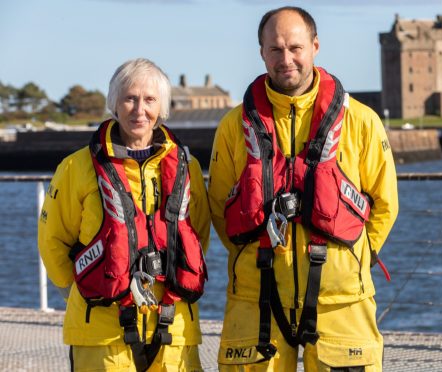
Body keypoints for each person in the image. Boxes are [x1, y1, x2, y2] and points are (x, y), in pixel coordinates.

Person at [208, 6, 398, 371]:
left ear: (314, 46)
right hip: (255, 297)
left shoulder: (362, 120)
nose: (286, 59)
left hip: (341, 301)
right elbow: (218, 206)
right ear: (261, 52)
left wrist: (355, 259)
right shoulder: (234, 126)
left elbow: (385, 203)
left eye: (295, 48)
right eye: (275, 50)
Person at [38, 58, 210, 371]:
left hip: (174, 328)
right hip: (101, 331)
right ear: (114, 103)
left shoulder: (188, 168)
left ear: (162, 107)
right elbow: (53, 241)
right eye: (129, 98)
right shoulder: (76, 168)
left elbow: (198, 233)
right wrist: (82, 294)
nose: (139, 109)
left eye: (149, 100)